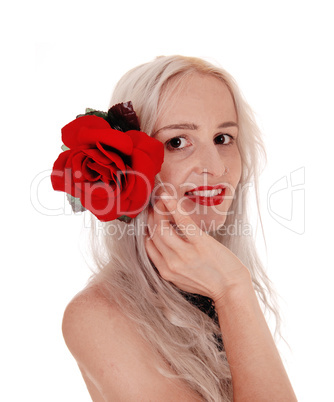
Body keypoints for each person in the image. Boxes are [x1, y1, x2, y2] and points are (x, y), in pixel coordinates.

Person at [56, 55, 297, 401]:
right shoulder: (96, 315)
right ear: (126, 168)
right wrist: (234, 289)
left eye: (223, 138)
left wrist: (232, 291)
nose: (215, 169)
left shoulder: (215, 285)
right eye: (178, 142)